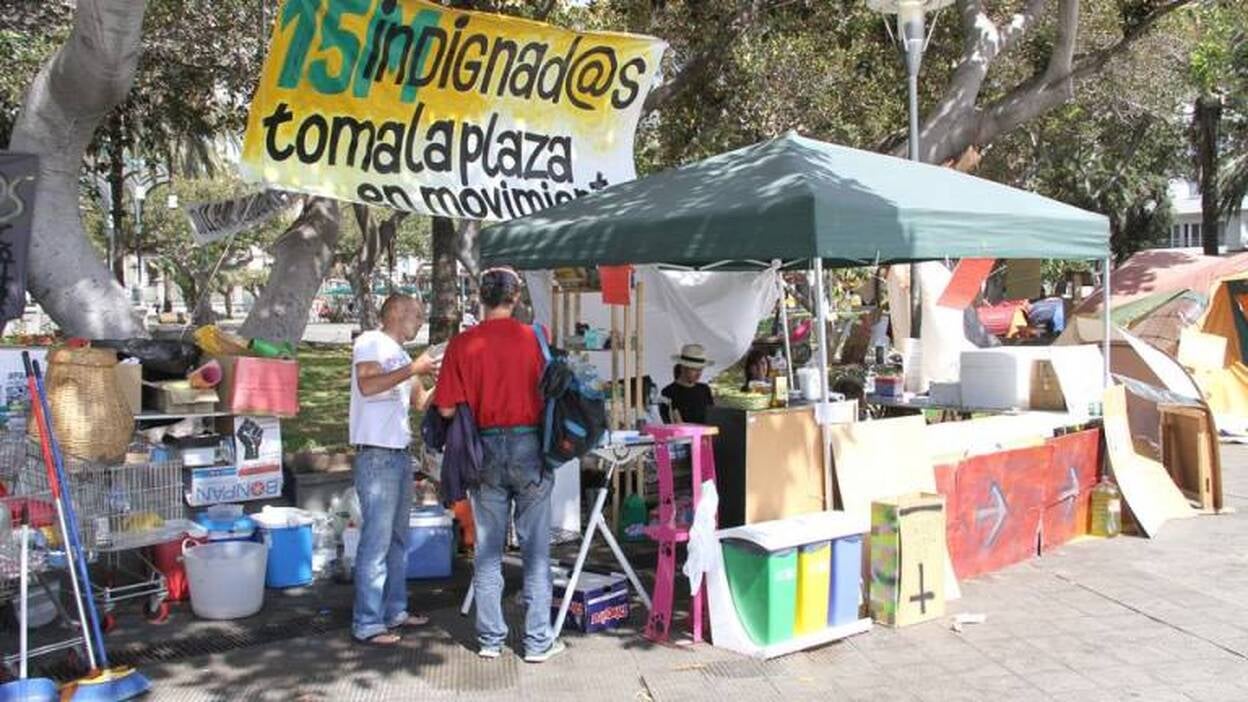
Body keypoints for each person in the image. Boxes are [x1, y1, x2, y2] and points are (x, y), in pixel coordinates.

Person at [433, 268, 565, 663]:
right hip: (531, 448)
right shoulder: (538, 337)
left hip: (483, 450)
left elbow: (444, 407)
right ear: (516, 296)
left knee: (488, 551)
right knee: (536, 551)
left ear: (481, 297)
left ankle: (491, 639)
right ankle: (538, 641)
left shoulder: (462, 344)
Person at [349, 294, 439, 646]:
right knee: (377, 539)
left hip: (399, 455)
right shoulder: (371, 342)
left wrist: (445, 379)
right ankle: (367, 622)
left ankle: (394, 609)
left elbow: (420, 401)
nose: (420, 320)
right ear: (397, 313)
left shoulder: (403, 356)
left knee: (398, 538)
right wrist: (413, 369)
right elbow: (368, 385)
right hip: (376, 454)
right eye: (417, 314)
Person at [661, 344, 715, 424]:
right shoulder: (669, 392)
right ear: (683, 368)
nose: (698, 374)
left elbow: (713, 417)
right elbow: (672, 421)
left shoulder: (704, 389)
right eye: (694, 369)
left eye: (700, 370)